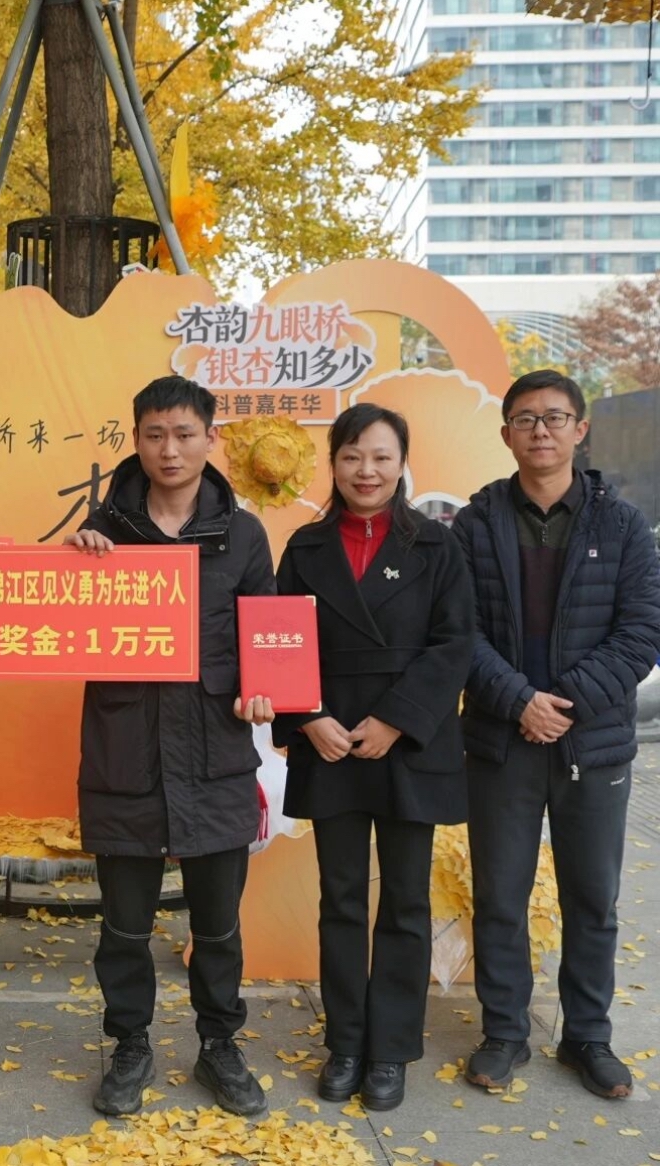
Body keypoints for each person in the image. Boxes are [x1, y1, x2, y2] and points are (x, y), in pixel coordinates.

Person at [65, 375, 277, 1119]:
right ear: (136, 440)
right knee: (123, 926)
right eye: (154, 434)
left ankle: (220, 1044)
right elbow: (58, 628)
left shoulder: (243, 535)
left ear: (210, 438)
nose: (170, 449)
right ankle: (129, 1044)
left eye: (185, 434)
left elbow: (266, 634)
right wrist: (74, 564)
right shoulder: (102, 532)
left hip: (216, 757)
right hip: (125, 755)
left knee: (218, 925)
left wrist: (262, 689)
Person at [455, 370, 660, 1100]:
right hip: (501, 739)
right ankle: (505, 1032)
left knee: (593, 898)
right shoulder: (475, 523)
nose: (539, 430)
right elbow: (458, 632)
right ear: (506, 432)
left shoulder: (622, 525)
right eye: (525, 419)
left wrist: (563, 704)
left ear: (580, 429)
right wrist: (519, 702)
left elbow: (642, 632)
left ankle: (588, 1037)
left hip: (591, 744)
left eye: (554, 417)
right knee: (500, 895)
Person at [271, 404, 473, 1112]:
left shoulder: (438, 546)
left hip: (407, 742)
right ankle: (346, 1043)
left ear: (402, 463)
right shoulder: (305, 547)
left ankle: (391, 1049)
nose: (367, 470)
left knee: (407, 900)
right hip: (330, 740)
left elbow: (455, 644)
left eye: (382, 457)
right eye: (353, 456)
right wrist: (309, 717)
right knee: (342, 899)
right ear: (334, 463)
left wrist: (395, 718)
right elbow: (279, 640)